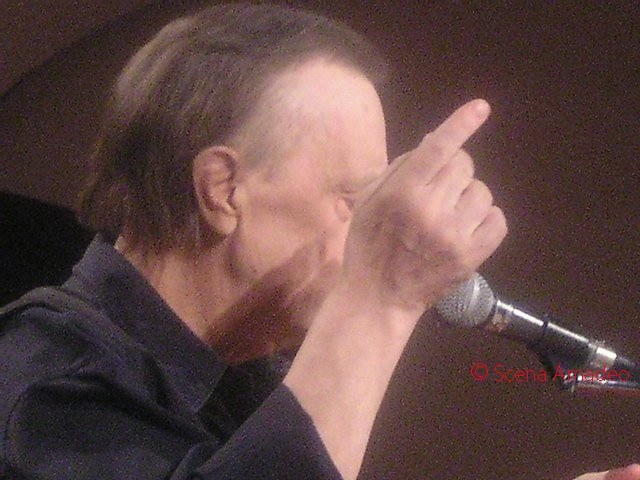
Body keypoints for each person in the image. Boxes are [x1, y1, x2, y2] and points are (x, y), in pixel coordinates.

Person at [0, 3, 636, 479]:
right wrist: (383, 296)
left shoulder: (243, 385)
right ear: (223, 190)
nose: (376, 232)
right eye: (357, 201)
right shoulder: (41, 378)